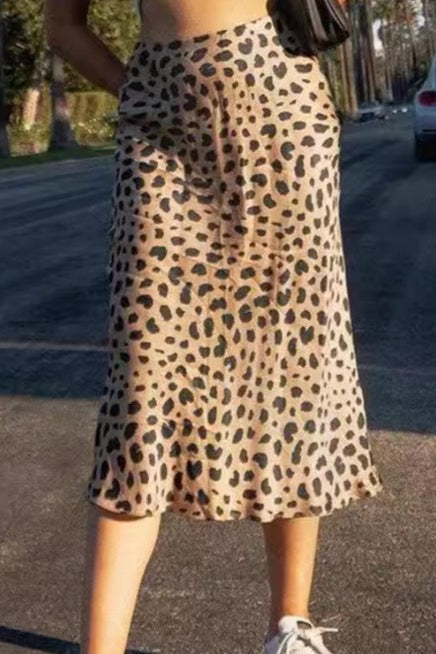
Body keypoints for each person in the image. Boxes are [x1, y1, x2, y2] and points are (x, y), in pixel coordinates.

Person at [43, 1, 385, 653]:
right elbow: (63, 28)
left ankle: (290, 626)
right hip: (160, 136)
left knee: (293, 376)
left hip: (281, 116)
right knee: (142, 395)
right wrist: (142, 89)